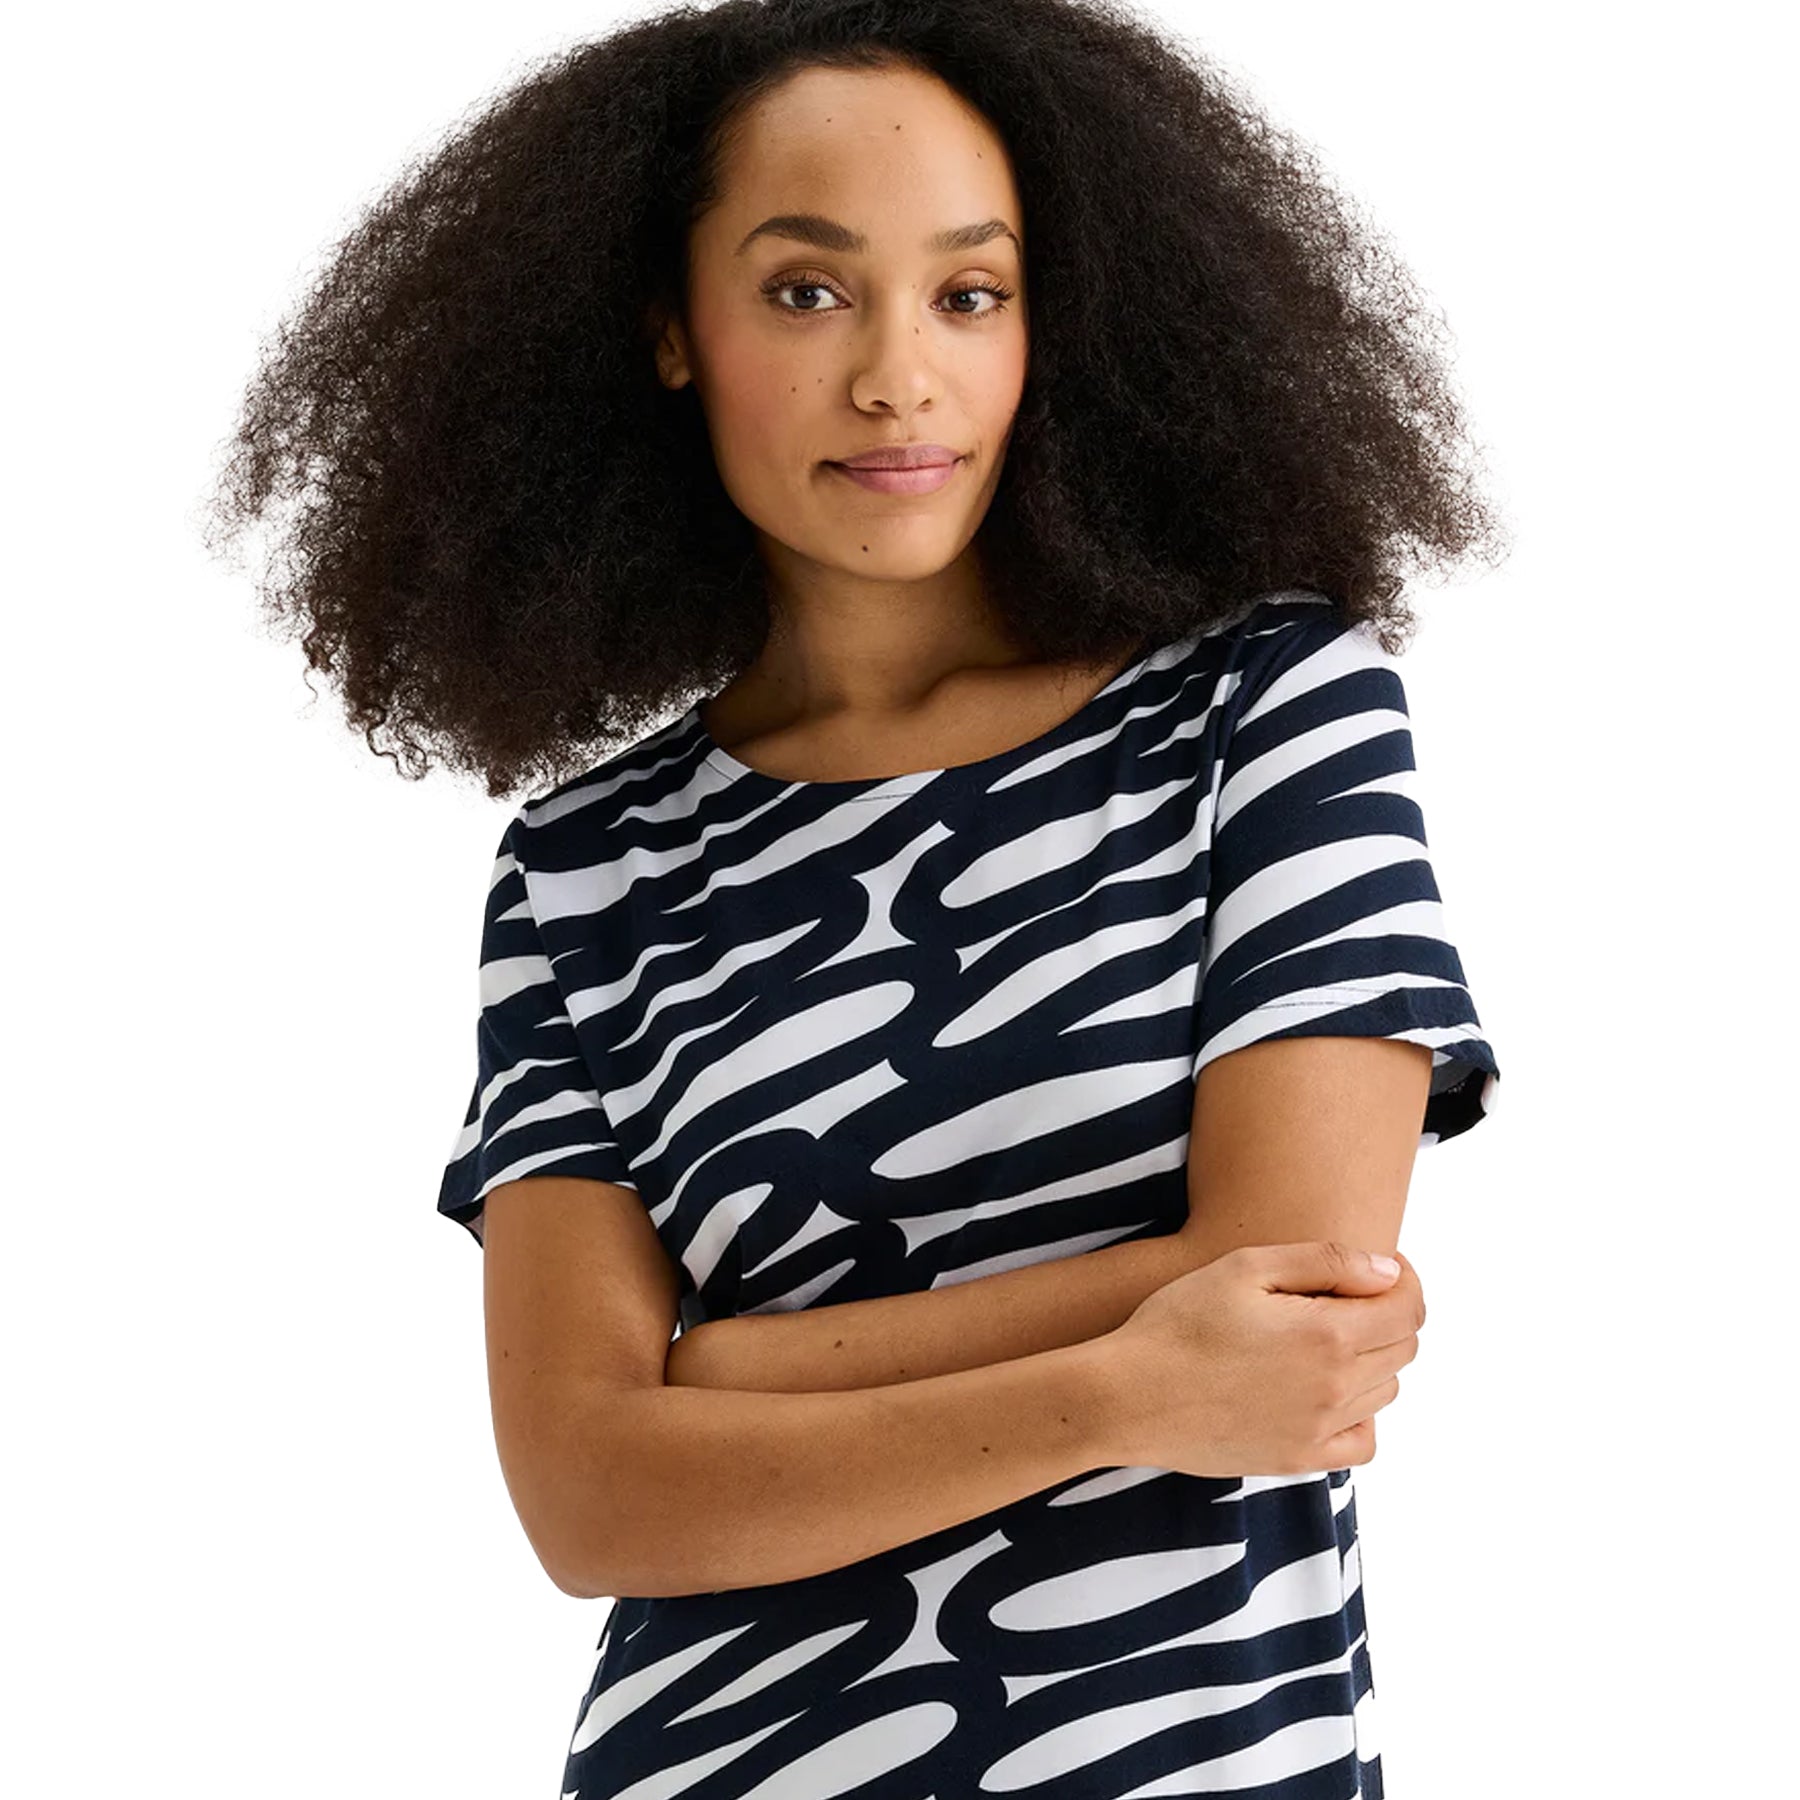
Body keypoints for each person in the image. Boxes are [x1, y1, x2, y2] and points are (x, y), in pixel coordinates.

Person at [200, 1, 1506, 1792]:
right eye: (809, 292)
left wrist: (727, 1377)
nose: (901, 376)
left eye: (970, 294)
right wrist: (1125, 1387)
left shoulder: (1264, 711)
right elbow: (585, 1499)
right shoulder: (586, 869)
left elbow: (1296, 1306)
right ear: (674, 328)